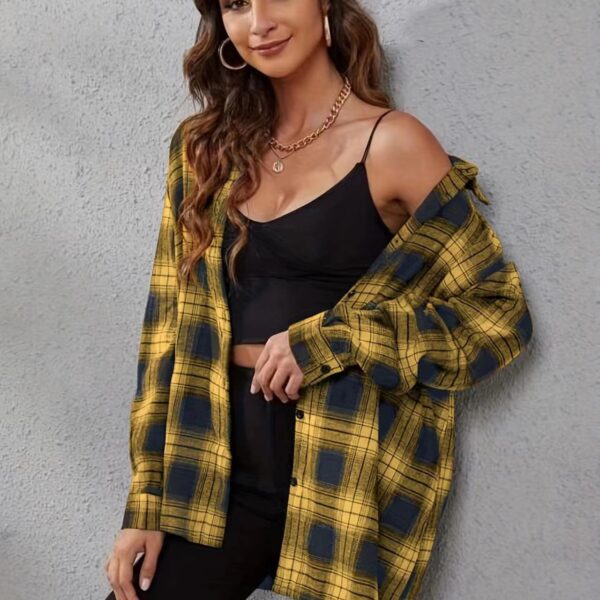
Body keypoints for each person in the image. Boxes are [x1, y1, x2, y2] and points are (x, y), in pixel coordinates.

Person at [104, 1, 533, 599]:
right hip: (212, 471)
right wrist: (148, 500)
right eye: (235, 4)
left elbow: (499, 314)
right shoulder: (202, 149)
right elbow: (165, 332)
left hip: (336, 472)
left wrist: (333, 340)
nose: (259, 21)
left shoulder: (393, 144)